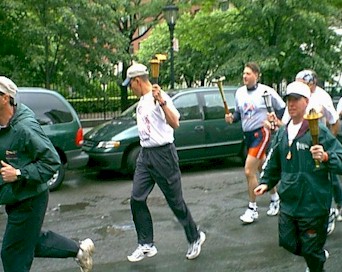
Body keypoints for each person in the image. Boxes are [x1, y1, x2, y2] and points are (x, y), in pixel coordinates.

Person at [0, 76, 94, 272]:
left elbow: (52, 162)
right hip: (16, 195)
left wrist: (18, 173)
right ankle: (79, 251)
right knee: (30, 242)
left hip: (30, 198)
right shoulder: (5, 123)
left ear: (4, 98)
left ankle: (79, 251)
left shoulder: (25, 128)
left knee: (12, 253)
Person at [254, 81, 342, 272]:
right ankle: (316, 254)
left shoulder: (317, 131)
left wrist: (326, 157)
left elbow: (340, 158)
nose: (291, 104)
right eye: (288, 100)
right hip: (289, 202)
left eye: (296, 99)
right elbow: (273, 161)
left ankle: (315, 260)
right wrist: (266, 182)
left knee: (311, 250)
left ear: (306, 101)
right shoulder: (283, 133)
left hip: (313, 203)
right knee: (287, 242)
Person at [122, 63, 206, 262]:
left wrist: (162, 103)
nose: (129, 88)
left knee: (175, 202)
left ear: (137, 81)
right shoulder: (143, 101)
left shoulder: (161, 97)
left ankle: (195, 237)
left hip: (164, 155)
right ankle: (146, 244)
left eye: (130, 84)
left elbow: (175, 123)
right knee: (136, 198)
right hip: (145, 154)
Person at [280, 69, 342, 234]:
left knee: (328, 179)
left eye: (301, 81)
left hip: (319, 145)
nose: (298, 84)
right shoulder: (294, 98)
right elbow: (285, 125)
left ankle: (332, 209)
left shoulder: (322, 96)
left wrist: (328, 143)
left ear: (311, 81)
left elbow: (334, 121)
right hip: (302, 148)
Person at [225, 62, 286, 223]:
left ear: (256, 75)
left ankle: (252, 208)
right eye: (244, 73)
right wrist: (232, 118)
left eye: (248, 74)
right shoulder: (239, 93)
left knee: (248, 170)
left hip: (262, 133)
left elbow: (281, 107)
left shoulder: (266, 91)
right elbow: (239, 113)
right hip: (248, 135)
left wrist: (274, 121)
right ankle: (275, 198)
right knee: (262, 167)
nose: (245, 76)